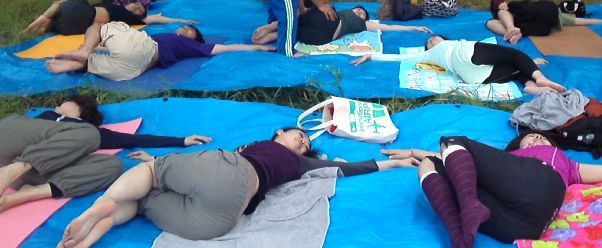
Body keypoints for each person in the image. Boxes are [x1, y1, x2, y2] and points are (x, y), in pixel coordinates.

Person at [57, 127, 414, 247]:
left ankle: (97, 208)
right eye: (299, 135)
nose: (303, 141)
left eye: (305, 142)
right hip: (223, 219)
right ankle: (94, 231)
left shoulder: (291, 160)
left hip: (228, 185)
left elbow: (348, 168)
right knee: (142, 202)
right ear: (279, 134)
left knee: (150, 175)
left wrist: (396, 163)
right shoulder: (276, 154)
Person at [384, 131, 602, 247]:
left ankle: (468, 205)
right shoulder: (505, 161)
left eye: (542, 138)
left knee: (453, 140)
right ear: (517, 145)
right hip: (521, 227)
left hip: (541, 183)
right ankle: (459, 237)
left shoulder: (566, 163)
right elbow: (452, 159)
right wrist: (414, 152)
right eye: (532, 137)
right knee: (429, 164)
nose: (537, 138)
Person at [0, 94, 211, 213]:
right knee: (87, 134)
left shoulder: (90, 132)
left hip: (31, 175)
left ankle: (22, 196)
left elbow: (134, 140)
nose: (58, 105)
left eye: (64, 102)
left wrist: (181, 140)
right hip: (9, 143)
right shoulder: (46, 116)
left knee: (113, 165)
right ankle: (12, 170)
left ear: (79, 107)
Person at [46, 22, 274, 81]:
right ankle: (78, 63)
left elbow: (230, 47)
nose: (184, 29)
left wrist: (260, 48)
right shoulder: (176, 42)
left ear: (195, 38)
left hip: (143, 50)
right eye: (184, 27)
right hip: (133, 70)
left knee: (98, 27)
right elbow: (120, 48)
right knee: (97, 57)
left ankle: (84, 53)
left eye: (190, 30)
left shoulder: (195, 46)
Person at [352, 35, 564, 95]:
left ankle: (531, 86)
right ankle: (540, 78)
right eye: (429, 42)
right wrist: (372, 56)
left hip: (473, 77)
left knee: (516, 68)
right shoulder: (435, 51)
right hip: (464, 54)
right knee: (515, 54)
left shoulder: (431, 53)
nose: (431, 40)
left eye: (434, 38)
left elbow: (399, 59)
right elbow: (399, 58)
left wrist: (372, 56)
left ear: (443, 38)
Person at [251, 5, 433, 46]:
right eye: (359, 10)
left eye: (363, 14)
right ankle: (274, 27)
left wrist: (415, 28)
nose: (361, 13)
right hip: (327, 20)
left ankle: (274, 32)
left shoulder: (364, 24)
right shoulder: (339, 12)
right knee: (308, 14)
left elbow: (389, 28)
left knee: (297, 31)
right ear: (351, 9)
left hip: (325, 36)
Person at [486, 0, 602, 44]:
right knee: (497, 20)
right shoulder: (559, 15)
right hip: (542, 26)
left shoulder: (507, 10)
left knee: (493, 20)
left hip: (539, 16)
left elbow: (581, 21)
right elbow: (581, 21)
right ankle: (516, 32)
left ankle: (512, 30)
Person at [27, 0, 196, 36]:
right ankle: (42, 23)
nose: (137, 7)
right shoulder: (111, 3)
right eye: (136, 4)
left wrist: (181, 21)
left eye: (139, 10)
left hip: (85, 16)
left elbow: (156, 18)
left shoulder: (132, 19)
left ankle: (43, 17)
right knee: (55, 22)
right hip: (73, 26)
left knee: (60, 4)